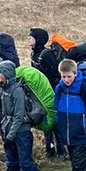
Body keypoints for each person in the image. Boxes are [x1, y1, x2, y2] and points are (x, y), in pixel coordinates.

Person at [0, 61, 54, 171]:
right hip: (9, 132)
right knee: (11, 162)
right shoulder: (1, 89)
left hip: (21, 133)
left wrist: (10, 136)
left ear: (7, 73)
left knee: (26, 163)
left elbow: (19, 116)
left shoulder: (18, 91)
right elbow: (0, 110)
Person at [29, 28, 66, 159]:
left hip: (51, 93)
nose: (28, 39)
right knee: (45, 121)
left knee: (54, 122)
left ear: (38, 40)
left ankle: (61, 150)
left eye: (31, 37)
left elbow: (55, 75)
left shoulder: (47, 55)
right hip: (41, 94)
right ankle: (49, 149)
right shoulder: (34, 54)